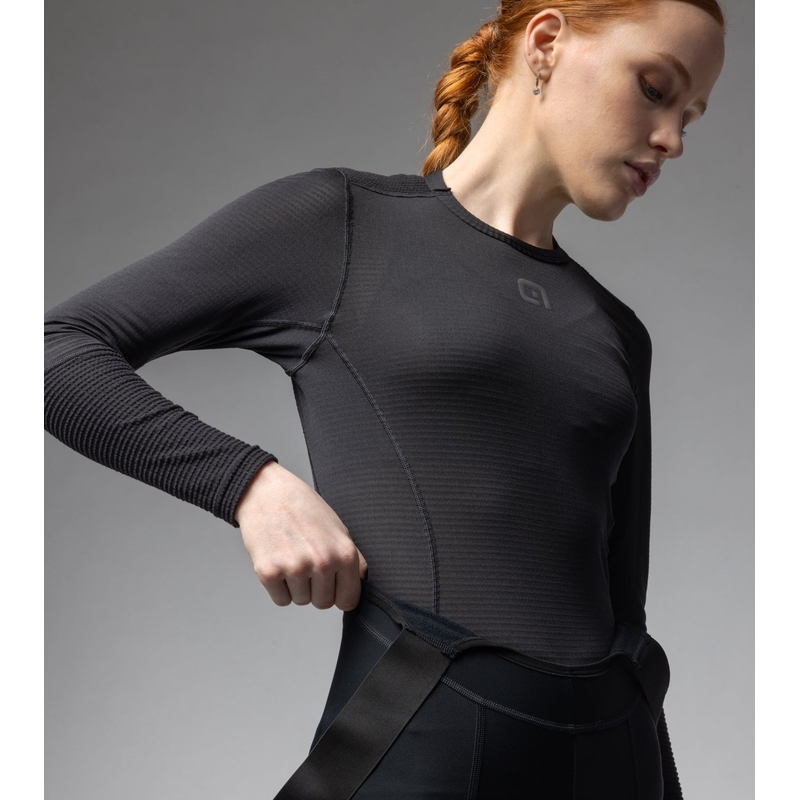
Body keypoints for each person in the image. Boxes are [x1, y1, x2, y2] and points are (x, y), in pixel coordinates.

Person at [44, 0, 726, 797]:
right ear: (546, 42)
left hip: (618, 760)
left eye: (691, 117)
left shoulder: (618, 333)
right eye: (655, 88)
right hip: (425, 746)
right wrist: (251, 486)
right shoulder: (342, 228)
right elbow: (56, 353)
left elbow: (624, 618)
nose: (672, 140)